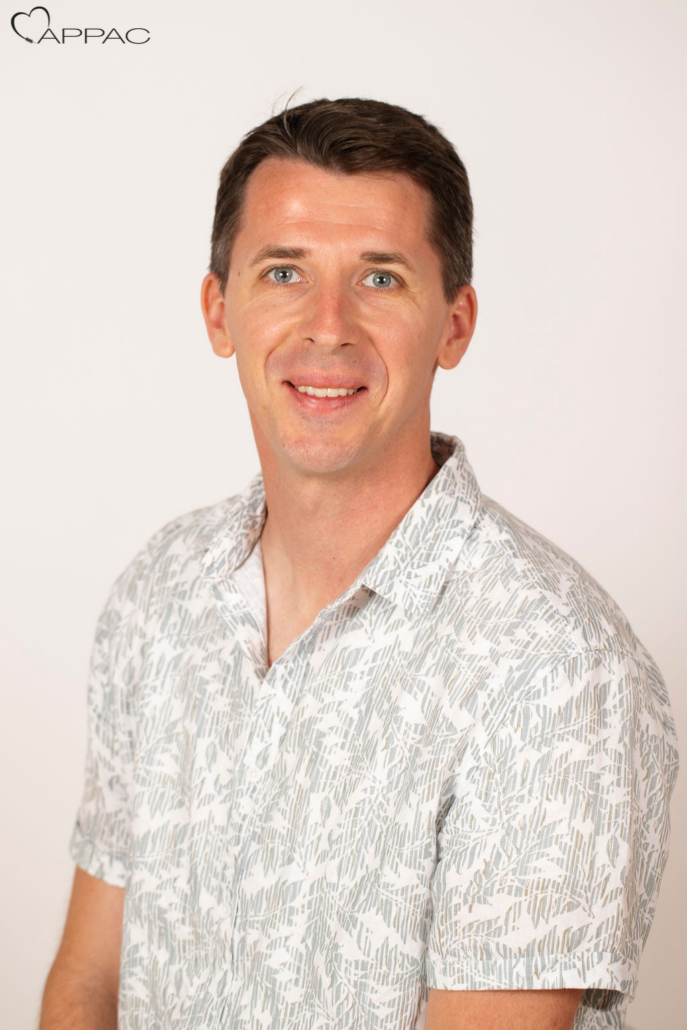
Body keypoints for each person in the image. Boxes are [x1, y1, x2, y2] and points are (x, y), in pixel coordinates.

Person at [39, 97, 678, 1030]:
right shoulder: (159, 591)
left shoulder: (554, 667)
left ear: (453, 325)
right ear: (219, 309)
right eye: (284, 271)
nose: (327, 326)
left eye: (380, 278)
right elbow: (89, 979)